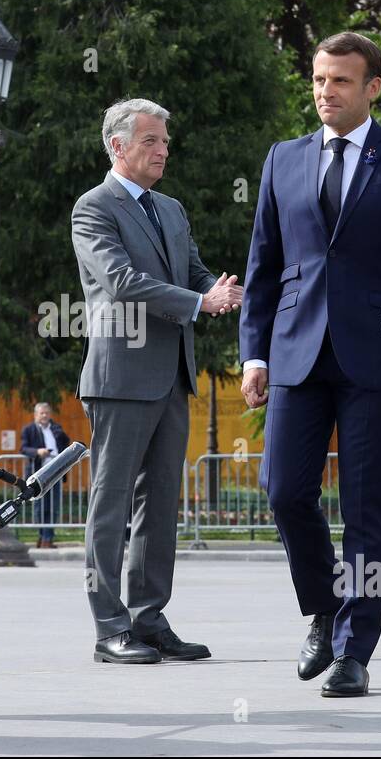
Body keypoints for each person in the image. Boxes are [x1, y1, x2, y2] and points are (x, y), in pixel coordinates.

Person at [239, 32, 381, 697]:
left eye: (339, 81)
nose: (325, 91)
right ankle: (324, 605)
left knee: (366, 508)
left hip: (378, 359)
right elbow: (264, 267)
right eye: (318, 80)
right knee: (284, 490)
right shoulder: (284, 159)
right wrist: (253, 352)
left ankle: (355, 650)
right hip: (297, 354)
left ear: (371, 88)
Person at [72, 97, 242, 664]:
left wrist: (225, 290)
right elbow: (120, 281)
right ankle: (108, 627)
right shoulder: (93, 208)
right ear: (117, 146)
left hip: (171, 377)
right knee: (111, 504)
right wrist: (200, 300)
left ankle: (148, 618)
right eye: (150, 140)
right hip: (120, 377)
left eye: (165, 141)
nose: (162, 150)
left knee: (161, 505)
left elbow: (191, 272)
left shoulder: (171, 209)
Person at [20, 402, 71, 548]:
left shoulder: (56, 428)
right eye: (41, 413)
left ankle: (48, 538)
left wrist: (59, 433)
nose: (44, 416)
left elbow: (66, 442)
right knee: (40, 507)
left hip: (55, 473)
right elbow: (23, 448)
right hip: (38, 475)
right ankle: (43, 536)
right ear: (36, 415)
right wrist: (37, 452)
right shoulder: (29, 430)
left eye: (47, 413)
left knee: (53, 507)